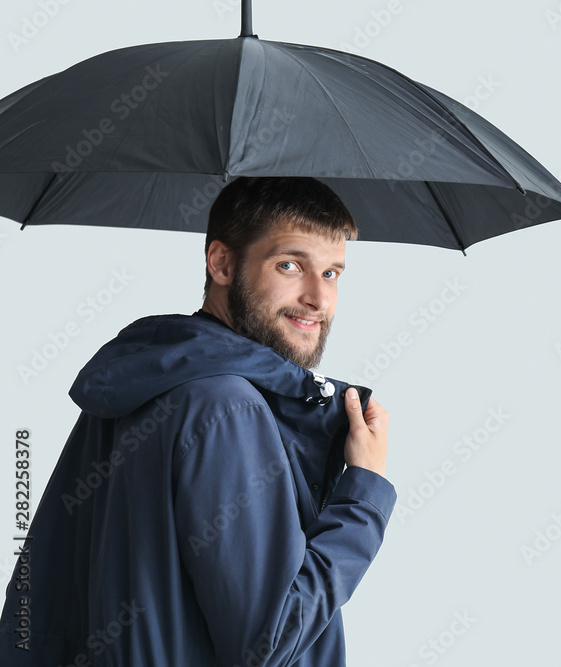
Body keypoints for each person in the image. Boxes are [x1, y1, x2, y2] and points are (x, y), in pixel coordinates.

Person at [0, 177, 396, 666]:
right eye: (290, 265)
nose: (319, 298)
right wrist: (364, 493)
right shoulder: (227, 408)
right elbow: (269, 644)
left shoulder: (147, 378)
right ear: (222, 263)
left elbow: (36, 619)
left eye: (332, 273)